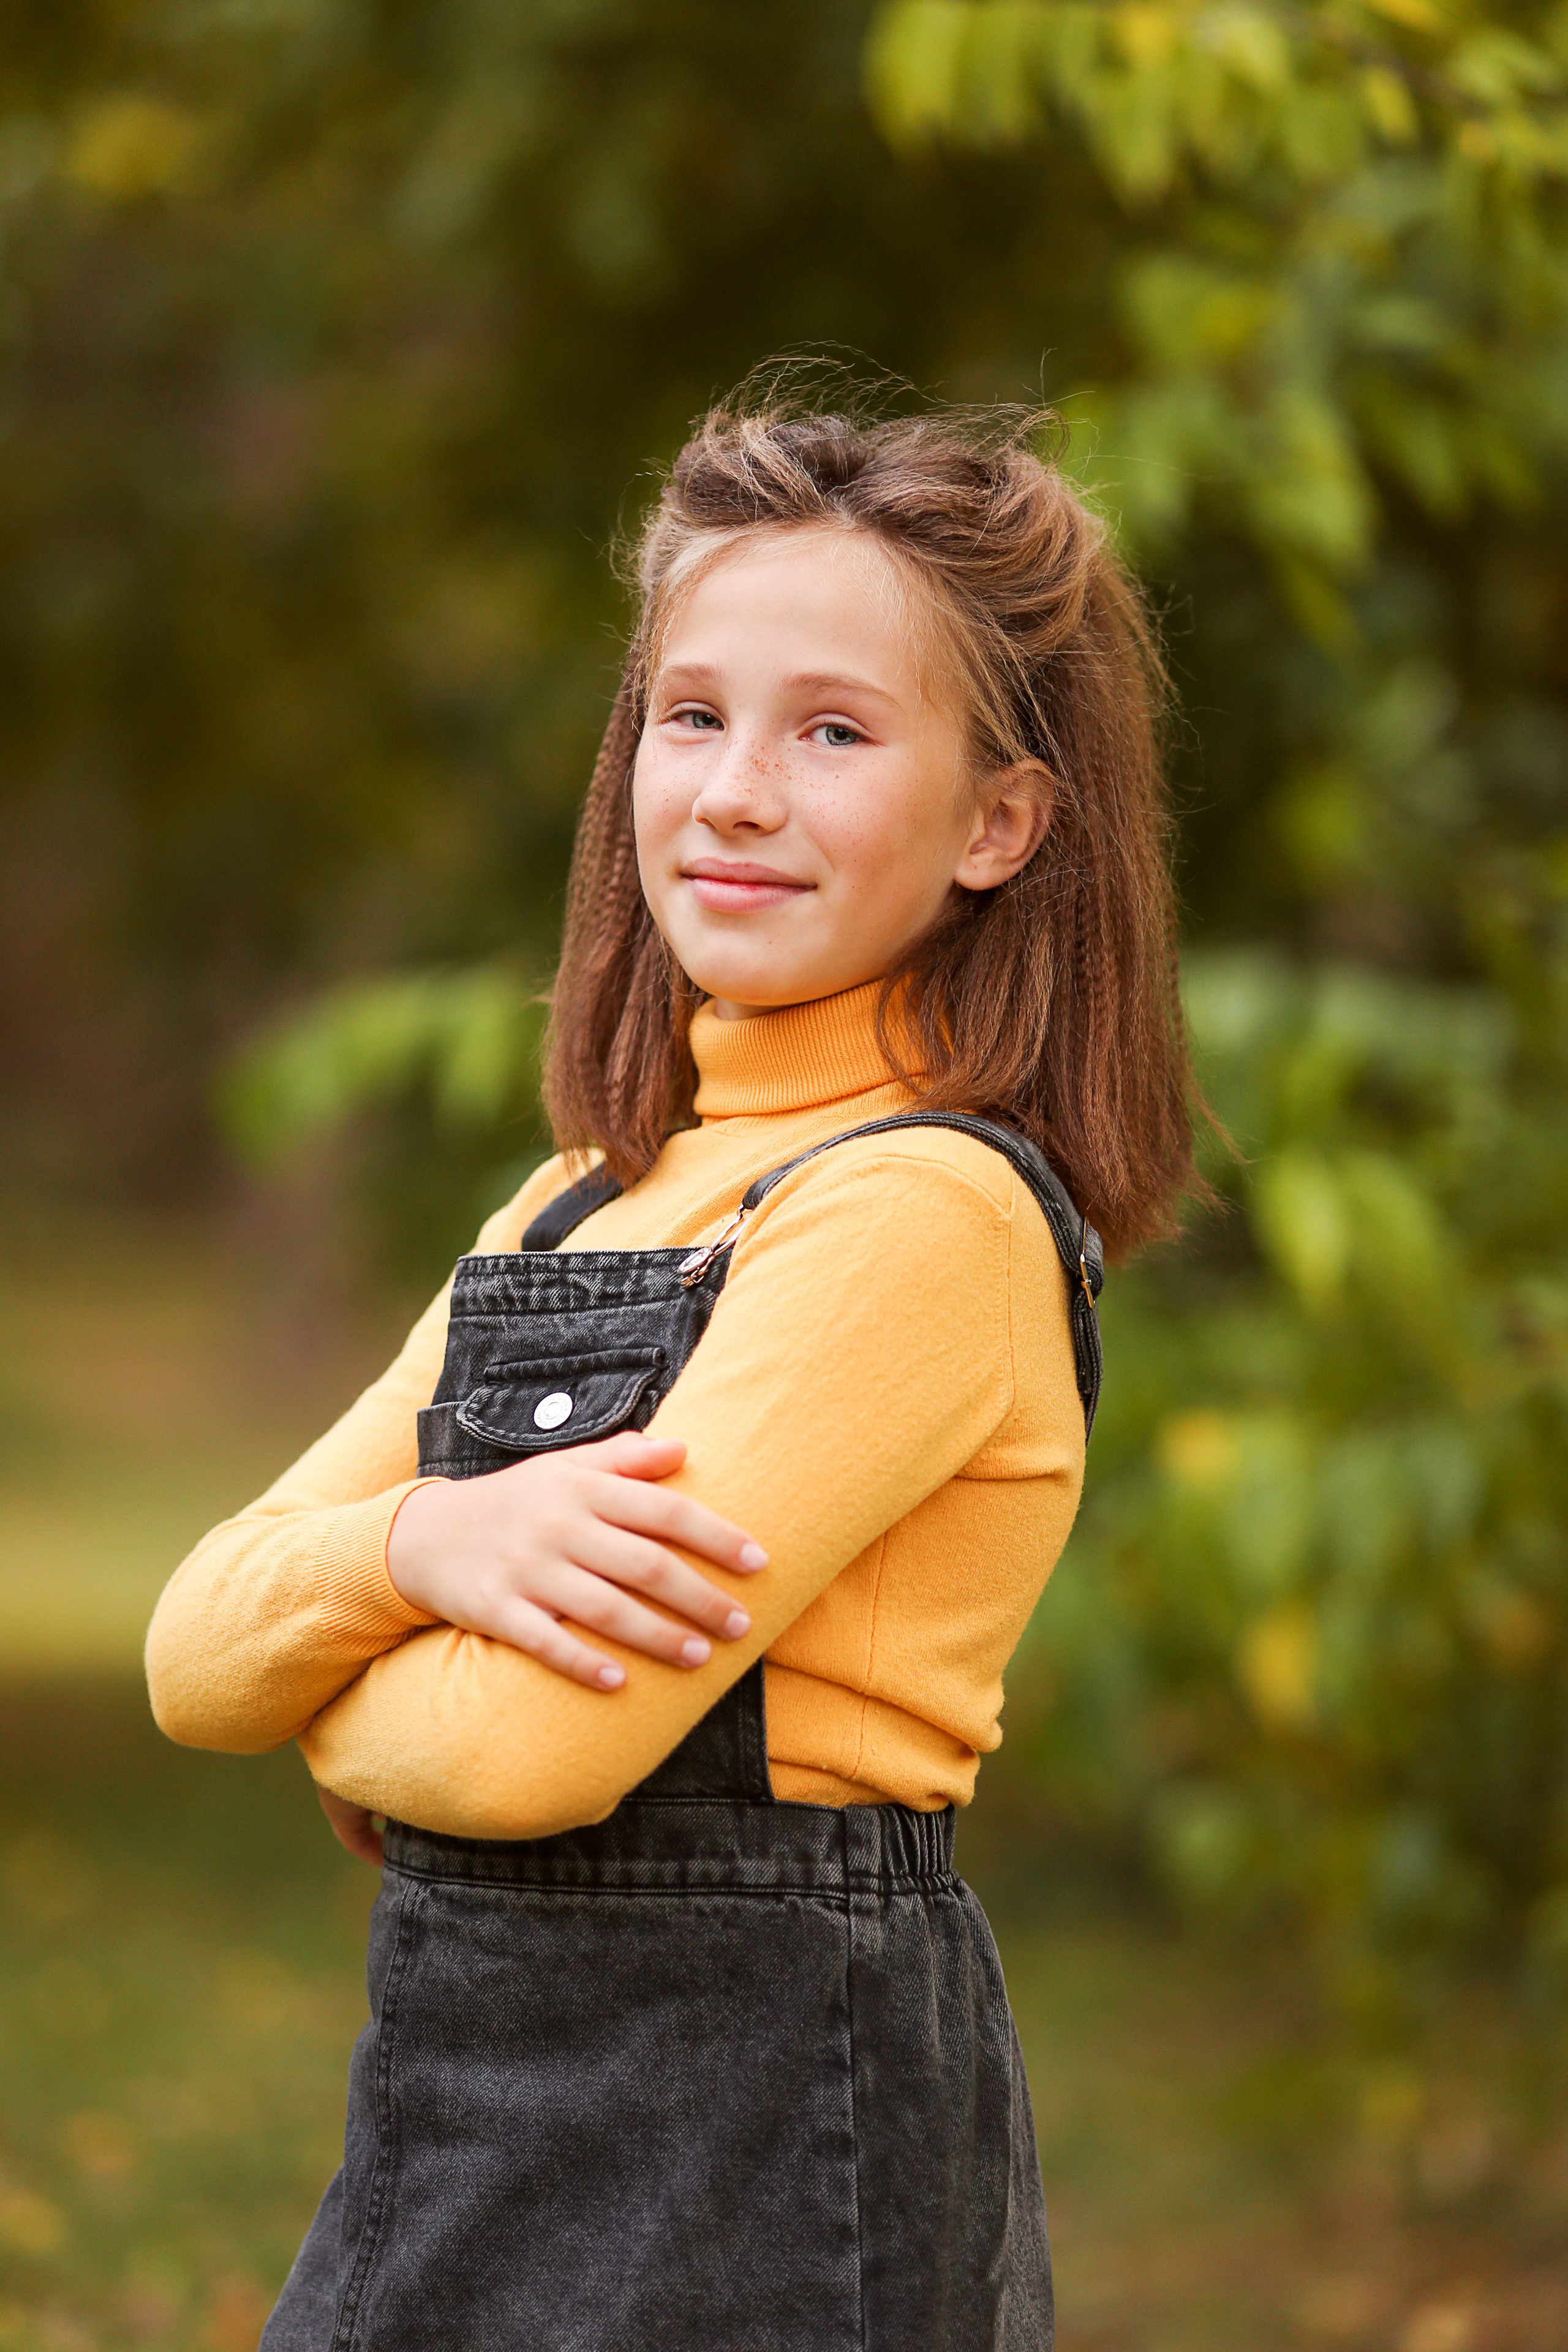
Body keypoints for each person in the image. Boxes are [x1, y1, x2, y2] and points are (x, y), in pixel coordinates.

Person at [145, 393, 1197, 2351]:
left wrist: (339, 1691)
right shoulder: (580, 1201)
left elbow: (521, 1755)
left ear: (1000, 822)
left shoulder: (921, 1215)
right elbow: (192, 1648)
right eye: (690, 714)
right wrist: (426, 1555)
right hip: (458, 2125)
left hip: (763, 2148)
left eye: (833, 730)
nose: (730, 790)